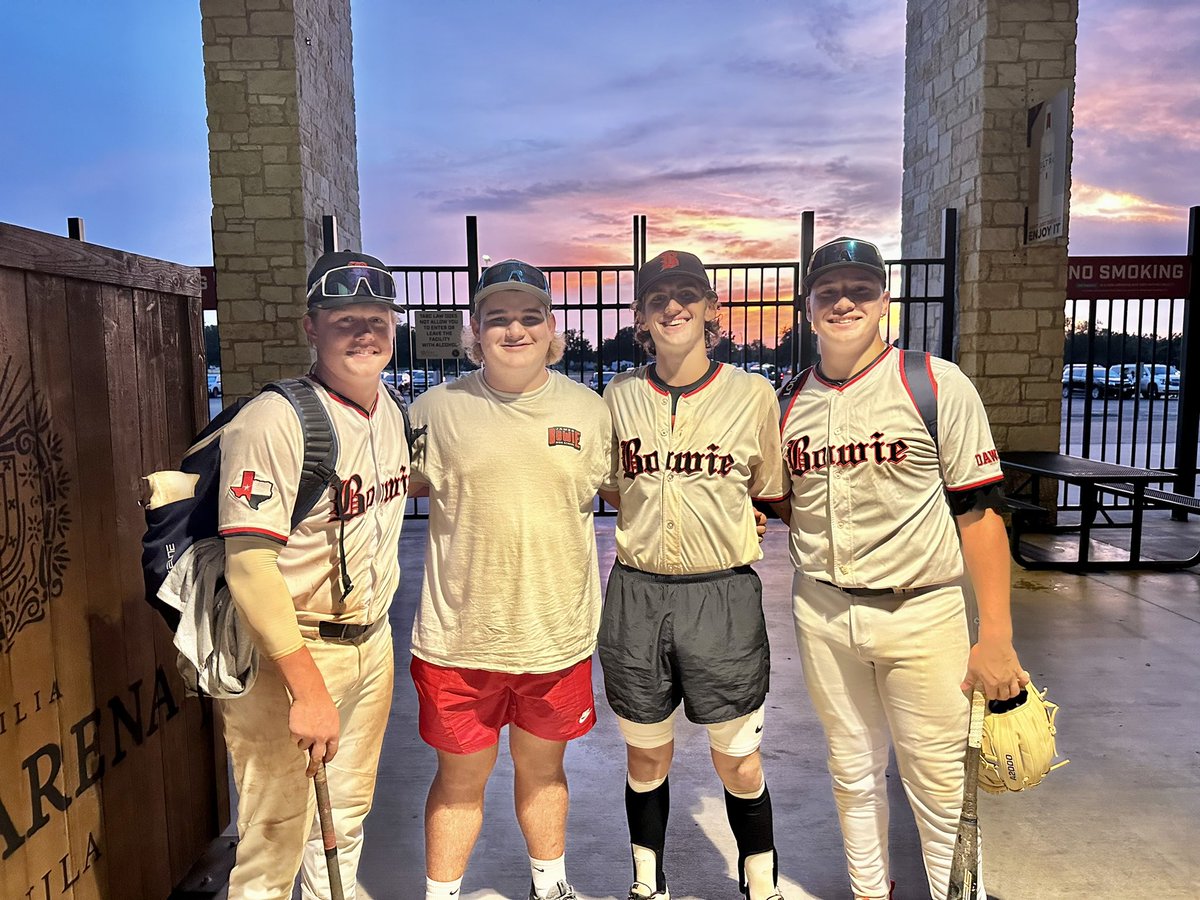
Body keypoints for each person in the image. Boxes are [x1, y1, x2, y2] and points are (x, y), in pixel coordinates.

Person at [775, 236, 1028, 900]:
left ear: (885, 300)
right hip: (824, 610)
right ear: (808, 307)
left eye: (860, 288)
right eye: (828, 291)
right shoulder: (789, 401)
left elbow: (980, 513)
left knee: (939, 781)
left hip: (923, 609)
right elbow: (773, 503)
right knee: (852, 772)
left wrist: (996, 636)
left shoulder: (935, 382)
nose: (844, 302)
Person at [408, 259, 613, 900]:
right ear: (475, 333)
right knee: (460, 780)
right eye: (498, 319)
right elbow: (381, 492)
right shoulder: (436, 410)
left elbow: (634, 489)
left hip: (556, 635)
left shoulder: (588, 410)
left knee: (545, 771)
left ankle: (550, 886)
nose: (514, 331)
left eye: (530, 317)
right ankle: (442, 893)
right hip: (459, 639)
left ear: (554, 330)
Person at [216, 250, 411, 898]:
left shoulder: (392, 410)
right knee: (274, 837)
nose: (363, 332)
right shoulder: (274, 419)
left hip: (370, 641)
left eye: (376, 318)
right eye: (343, 318)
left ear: (393, 326)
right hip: (292, 653)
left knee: (345, 815)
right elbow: (248, 566)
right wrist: (306, 688)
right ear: (311, 327)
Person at [599, 250, 790, 900]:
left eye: (687, 294)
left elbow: (764, 489)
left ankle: (759, 882)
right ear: (641, 317)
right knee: (646, 754)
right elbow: (619, 491)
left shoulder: (752, 394)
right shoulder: (618, 399)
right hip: (638, 592)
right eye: (659, 297)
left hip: (722, 594)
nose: (673, 306)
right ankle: (648, 883)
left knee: (737, 759)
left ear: (711, 308)